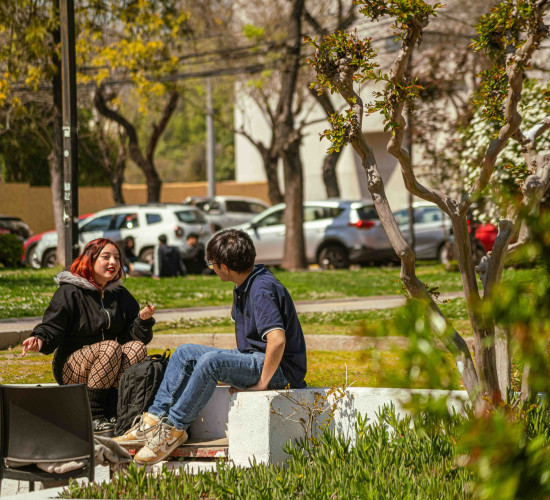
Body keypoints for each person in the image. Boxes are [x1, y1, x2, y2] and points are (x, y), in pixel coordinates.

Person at [115, 229, 307, 465]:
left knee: (211, 362)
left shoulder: (261, 289)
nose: (211, 267)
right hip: (254, 357)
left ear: (224, 267)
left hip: (280, 371)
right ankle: (153, 421)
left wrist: (261, 385)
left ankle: (174, 430)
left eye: (212, 263)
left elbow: (277, 340)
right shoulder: (246, 282)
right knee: (185, 353)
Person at [21, 238, 156, 436]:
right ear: (90, 260)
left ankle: (115, 412)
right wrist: (39, 339)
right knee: (110, 347)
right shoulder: (70, 292)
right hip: (72, 365)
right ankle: (93, 416)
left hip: (109, 361)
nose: (113, 262)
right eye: (106, 257)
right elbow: (52, 326)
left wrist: (142, 322)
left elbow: (132, 338)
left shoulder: (119, 294)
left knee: (136, 348)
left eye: (117, 258)